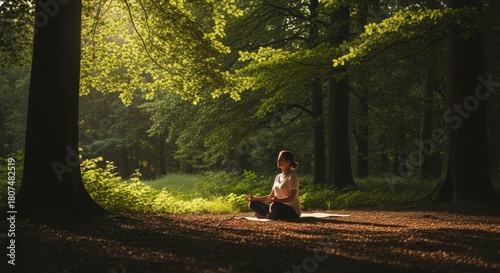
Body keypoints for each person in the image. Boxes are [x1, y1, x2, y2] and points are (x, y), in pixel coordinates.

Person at [245, 150, 301, 219]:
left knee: (274, 206)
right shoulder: (278, 177)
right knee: (253, 203)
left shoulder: (292, 177)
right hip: (276, 207)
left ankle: (268, 215)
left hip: (291, 210)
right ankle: (269, 215)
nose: (278, 161)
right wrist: (255, 198)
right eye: (278, 159)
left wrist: (278, 200)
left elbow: (291, 198)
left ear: (288, 162)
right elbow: (270, 197)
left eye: (281, 160)